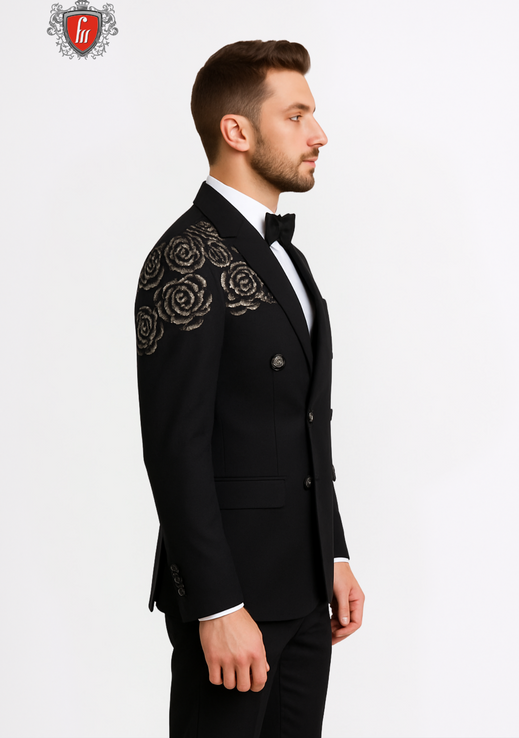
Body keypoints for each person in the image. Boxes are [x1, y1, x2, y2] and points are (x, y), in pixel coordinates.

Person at [135, 39, 364, 738]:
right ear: (236, 130)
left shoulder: (288, 256)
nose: (318, 134)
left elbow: (303, 424)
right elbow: (175, 448)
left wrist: (333, 551)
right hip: (233, 601)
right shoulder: (185, 256)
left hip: (305, 588)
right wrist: (215, 606)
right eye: (296, 116)